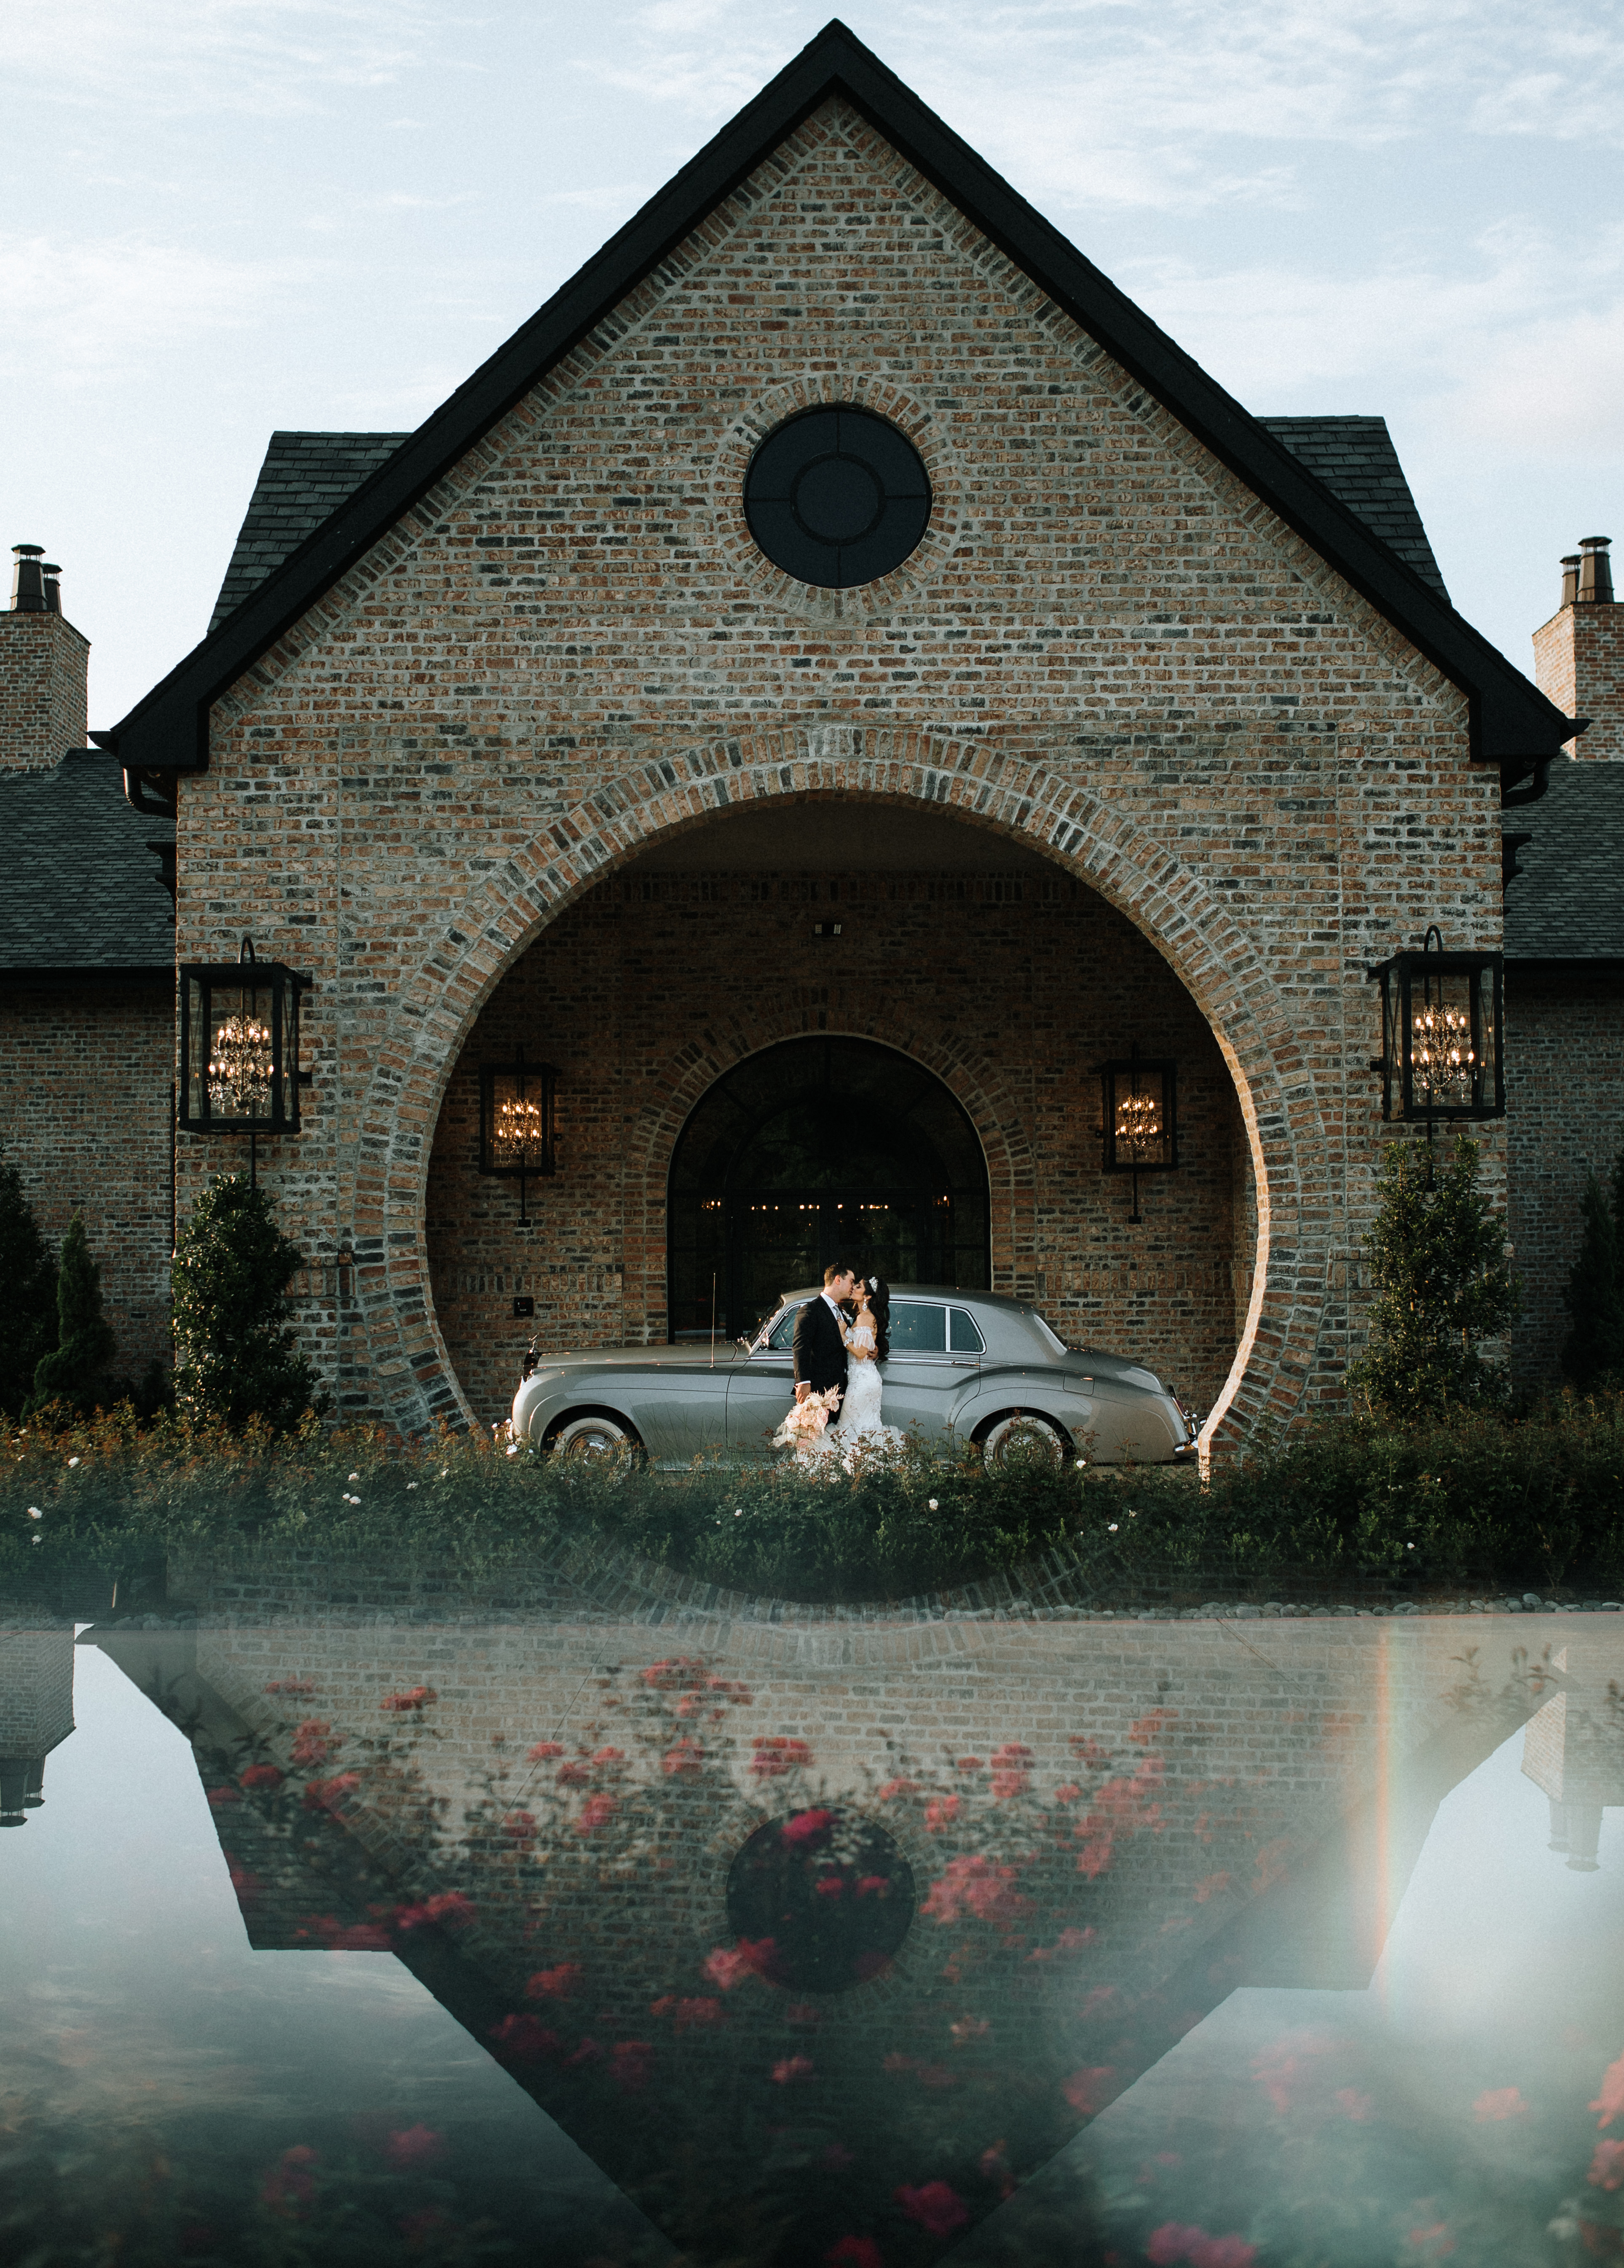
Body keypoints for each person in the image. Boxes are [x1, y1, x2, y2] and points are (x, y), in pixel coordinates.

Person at [838, 1276, 904, 1458]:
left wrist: (843, 1336)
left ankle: (861, 1471)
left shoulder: (866, 1317)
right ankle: (868, 1470)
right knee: (860, 1429)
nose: (853, 1288)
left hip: (863, 1383)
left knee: (853, 1428)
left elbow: (860, 1353)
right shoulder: (862, 1316)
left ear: (867, 1297)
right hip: (861, 1379)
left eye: (858, 1287)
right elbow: (867, 1349)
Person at [792, 1260, 856, 1424]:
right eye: (851, 1281)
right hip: (820, 1389)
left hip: (840, 1388)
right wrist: (803, 1382)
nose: (853, 1287)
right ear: (838, 1280)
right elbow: (801, 1349)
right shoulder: (810, 1311)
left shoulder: (841, 1312)